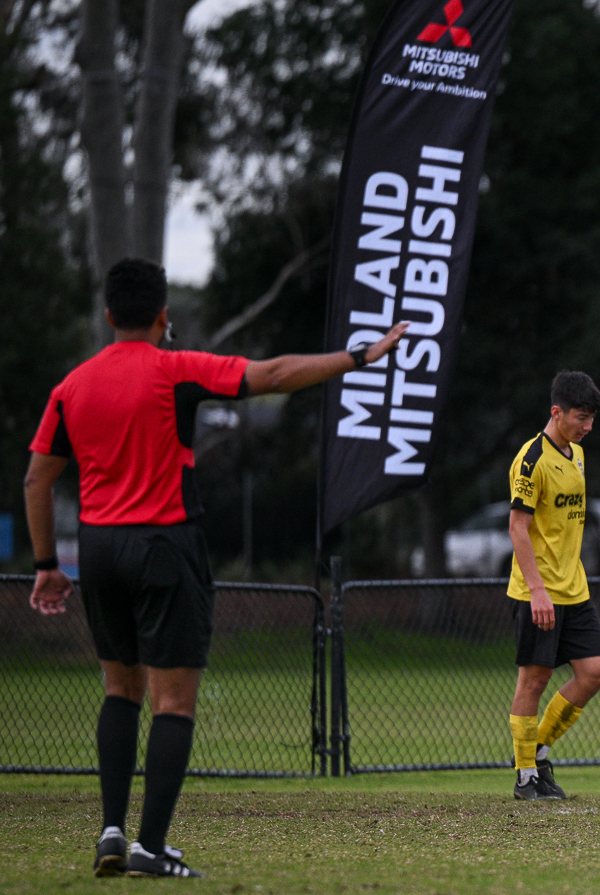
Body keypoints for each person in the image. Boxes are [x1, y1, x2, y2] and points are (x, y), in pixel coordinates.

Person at [24, 258, 406, 878]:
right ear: (163, 315)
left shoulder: (71, 386)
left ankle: (111, 831)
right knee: (173, 703)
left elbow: (38, 477)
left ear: (107, 315)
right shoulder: (176, 369)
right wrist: (360, 356)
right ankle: (150, 847)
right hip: (163, 545)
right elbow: (275, 374)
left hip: (96, 550)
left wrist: (46, 564)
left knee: (120, 691)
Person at [506, 371, 600, 801]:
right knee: (535, 679)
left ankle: (539, 750)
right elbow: (517, 527)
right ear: (557, 412)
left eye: (591, 419)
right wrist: (537, 590)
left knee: (594, 672)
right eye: (581, 417)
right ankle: (526, 775)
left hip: (575, 587)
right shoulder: (531, 459)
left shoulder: (577, 455)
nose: (587, 426)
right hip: (539, 590)